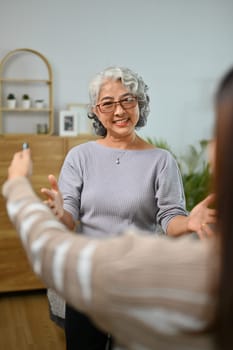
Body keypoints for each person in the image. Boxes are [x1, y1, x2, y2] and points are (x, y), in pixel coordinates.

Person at [3, 65, 233, 349]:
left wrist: (188, 222)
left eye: (128, 100)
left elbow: (170, 218)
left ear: (141, 104)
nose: (120, 111)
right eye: (108, 103)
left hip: (141, 281)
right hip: (88, 276)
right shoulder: (80, 156)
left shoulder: (162, 160)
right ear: (96, 111)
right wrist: (60, 212)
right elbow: (68, 218)